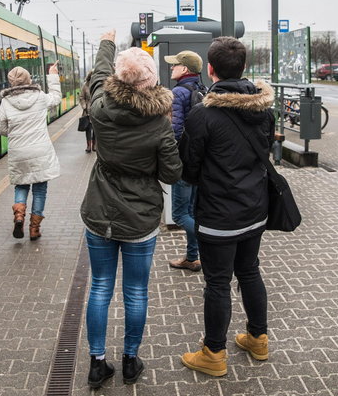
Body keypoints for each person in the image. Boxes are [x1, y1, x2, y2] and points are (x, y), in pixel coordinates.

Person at [80, 30, 182, 388]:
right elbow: (172, 173)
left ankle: (96, 363)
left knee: (99, 288)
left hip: (99, 213)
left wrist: (106, 43)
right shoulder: (158, 124)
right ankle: (129, 360)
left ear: (117, 79)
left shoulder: (99, 109)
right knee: (136, 291)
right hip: (140, 219)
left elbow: (97, 75)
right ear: (151, 81)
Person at [178, 36, 276, 377]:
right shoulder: (264, 109)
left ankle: (214, 354)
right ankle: (258, 339)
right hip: (255, 209)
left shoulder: (202, 116)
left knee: (218, 283)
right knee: (249, 270)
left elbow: (188, 170)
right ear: (245, 68)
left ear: (210, 69)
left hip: (219, 215)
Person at [0, 63, 62, 240]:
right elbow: (56, 98)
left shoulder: (6, 102)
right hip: (40, 150)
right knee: (40, 189)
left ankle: (19, 215)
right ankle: (34, 228)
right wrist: (53, 75)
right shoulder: (39, 97)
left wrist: (15, 133)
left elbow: (0, 127)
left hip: (18, 151)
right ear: (28, 79)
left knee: (21, 185)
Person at [163, 50, 207, 273]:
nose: (172, 68)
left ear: (185, 70)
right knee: (191, 211)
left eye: (175, 65)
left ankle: (209, 243)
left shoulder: (178, 92)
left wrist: (169, 158)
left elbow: (175, 130)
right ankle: (192, 257)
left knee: (180, 215)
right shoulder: (202, 89)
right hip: (200, 161)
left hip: (183, 161)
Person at [80, 71, 96, 153]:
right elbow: (81, 97)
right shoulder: (85, 85)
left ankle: (94, 144)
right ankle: (88, 145)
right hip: (87, 110)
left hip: (96, 109)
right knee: (88, 128)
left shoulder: (99, 85)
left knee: (96, 128)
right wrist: (84, 106)